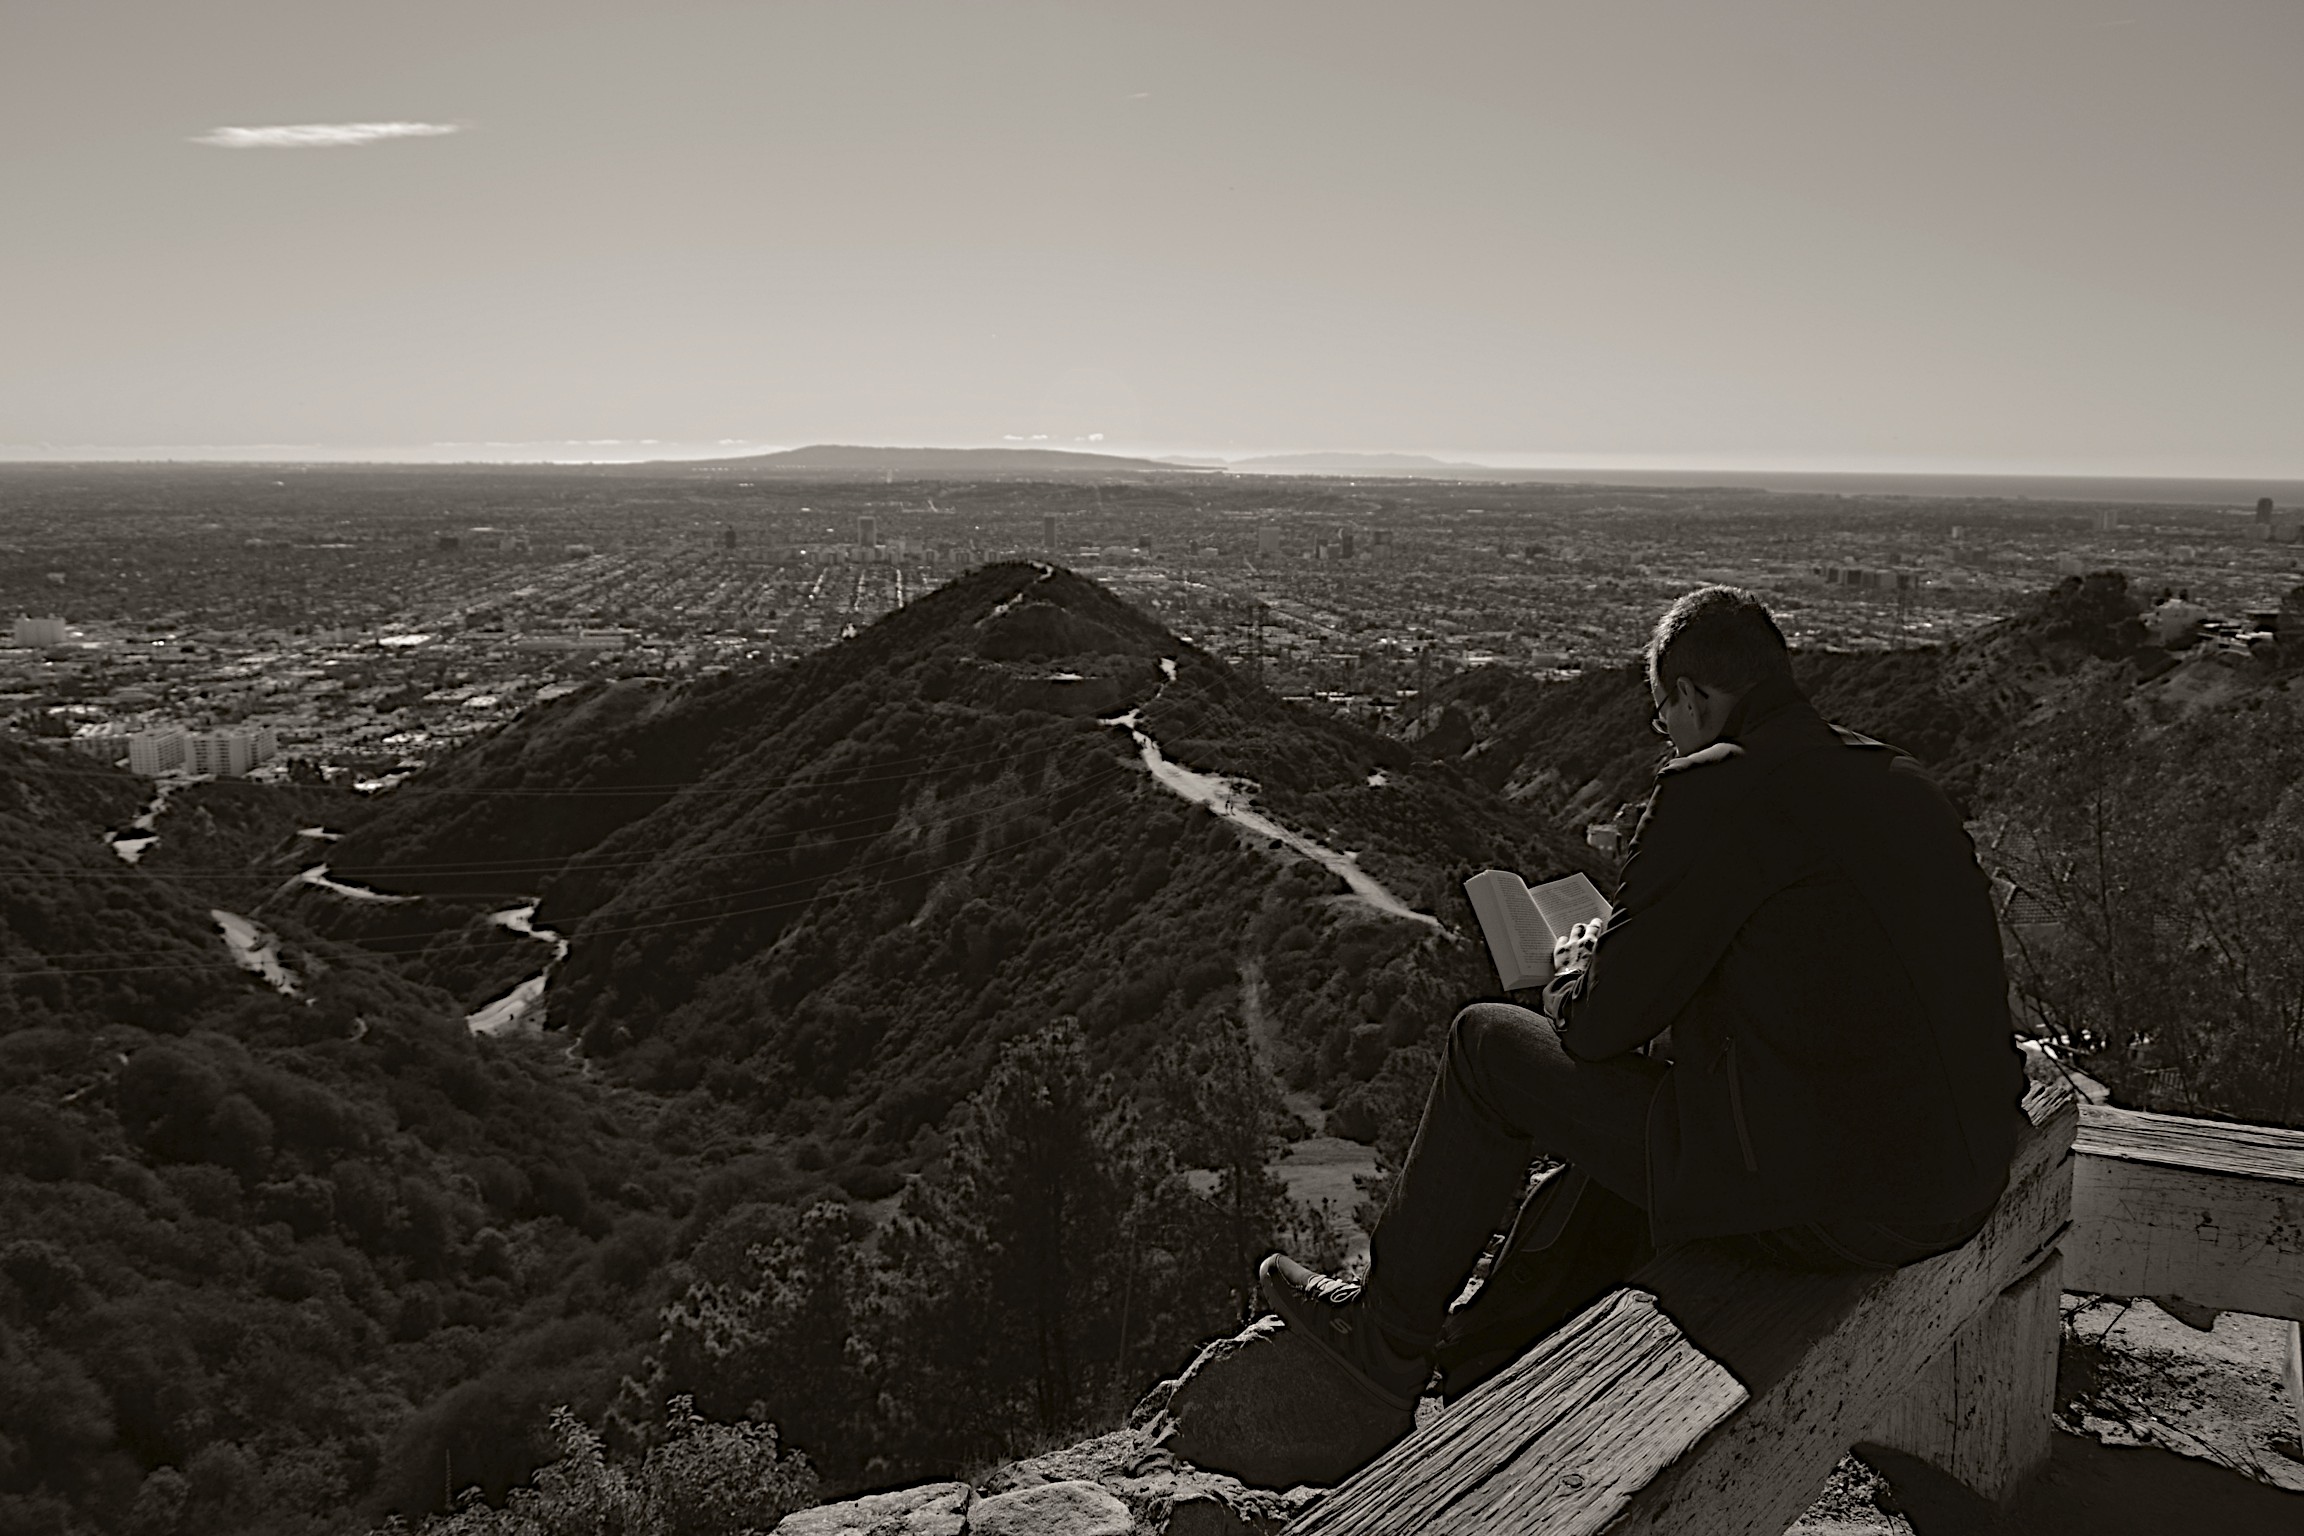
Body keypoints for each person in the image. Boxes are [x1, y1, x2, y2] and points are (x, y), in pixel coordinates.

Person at [1259, 585, 2030, 1414]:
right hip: (1965, 1173)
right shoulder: (1901, 780)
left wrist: (1570, 975)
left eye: (1664, 718)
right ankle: (1481, 1351)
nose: (1667, 737)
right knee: (1640, 1128)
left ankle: (1382, 1339)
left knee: (1485, 1044)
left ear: (1692, 696)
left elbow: (1597, 1030)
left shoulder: (1715, 791)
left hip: (1839, 1206)